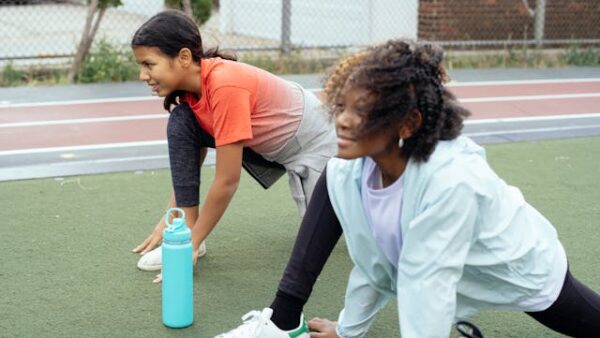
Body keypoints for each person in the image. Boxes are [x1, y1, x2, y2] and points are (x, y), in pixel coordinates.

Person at [215, 40, 600, 338]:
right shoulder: (349, 175)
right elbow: (374, 265)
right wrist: (349, 330)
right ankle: (279, 320)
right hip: (450, 272)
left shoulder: (452, 183)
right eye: (342, 106)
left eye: (362, 112)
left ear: (408, 122)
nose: (343, 122)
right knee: (333, 176)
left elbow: (426, 294)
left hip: (518, 268)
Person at [129, 10, 336, 283]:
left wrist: (187, 245)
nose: (143, 75)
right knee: (182, 122)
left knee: (338, 228)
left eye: (149, 64)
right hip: (266, 144)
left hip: (313, 141)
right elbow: (193, 152)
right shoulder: (193, 90)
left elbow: (227, 181)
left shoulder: (224, 86)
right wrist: (175, 221)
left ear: (183, 58)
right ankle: (190, 230)